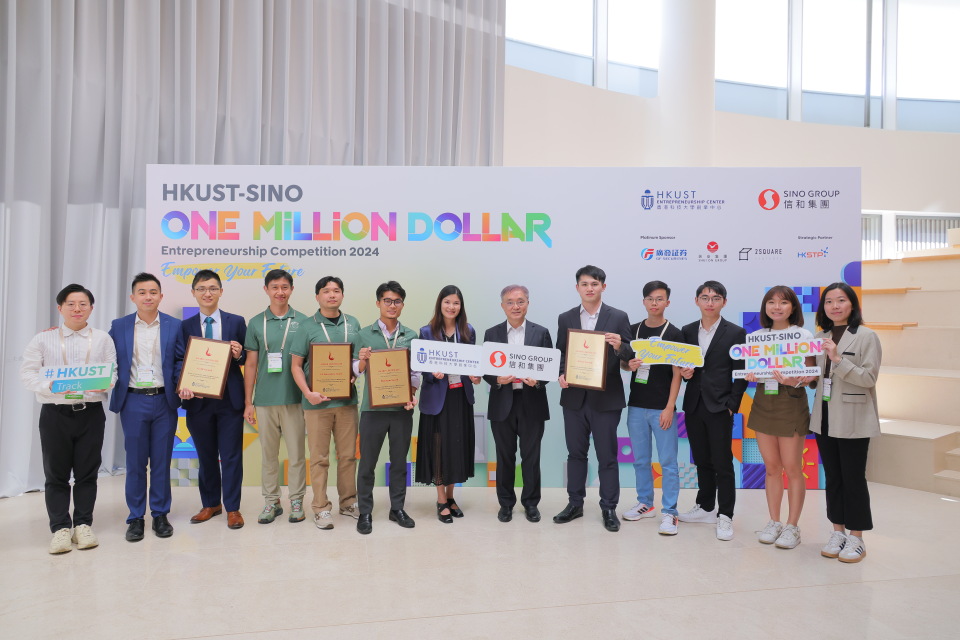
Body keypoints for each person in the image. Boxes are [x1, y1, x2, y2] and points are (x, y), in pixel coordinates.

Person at [19, 284, 117, 554]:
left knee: (88, 473)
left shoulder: (101, 339)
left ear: (91, 308)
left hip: (90, 413)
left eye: (83, 304)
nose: (77, 309)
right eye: (71, 304)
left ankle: (83, 525)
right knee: (56, 474)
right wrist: (51, 387)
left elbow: (113, 374)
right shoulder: (42, 339)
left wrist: (103, 384)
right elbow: (27, 374)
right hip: (55, 414)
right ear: (60, 308)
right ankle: (60, 528)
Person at [554, 265, 632, 532]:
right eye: (585, 284)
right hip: (574, 398)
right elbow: (561, 354)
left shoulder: (619, 316)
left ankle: (609, 507)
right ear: (577, 288)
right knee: (576, 454)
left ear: (603, 287)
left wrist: (620, 345)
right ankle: (575, 504)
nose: (590, 288)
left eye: (595, 284)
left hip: (606, 399)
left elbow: (630, 355)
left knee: (607, 456)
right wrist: (561, 374)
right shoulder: (565, 318)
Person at [809, 282, 881, 563]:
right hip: (824, 417)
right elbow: (815, 375)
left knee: (853, 479)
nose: (834, 306)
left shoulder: (866, 336)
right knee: (834, 479)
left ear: (852, 305)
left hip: (853, 417)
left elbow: (869, 379)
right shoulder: (819, 335)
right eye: (829, 301)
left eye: (841, 300)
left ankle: (857, 537)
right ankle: (837, 531)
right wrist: (795, 377)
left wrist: (838, 359)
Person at [109, 273, 184, 542]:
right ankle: (135, 517)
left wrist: (182, 382)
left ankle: (161, 514)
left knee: (162, 461)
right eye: (142, 292)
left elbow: (180, 360)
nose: (148, 296)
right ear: (133, 297)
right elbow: (103, 353)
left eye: (153, 292)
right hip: (133, 400)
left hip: (165, 400)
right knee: (136, 462)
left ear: (161, 296)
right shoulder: (119, 326)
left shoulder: (175, 326)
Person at [744, 286, 816, 550]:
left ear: (793, 308)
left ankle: (792, 526)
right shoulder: (757, 337)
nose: (776, 307)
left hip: (791, 402)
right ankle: (774, 521)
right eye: (771, 302)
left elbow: (811, 374)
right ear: (765, 307)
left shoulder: (803, 335)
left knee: (793, 468)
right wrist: (750, 374)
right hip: (763, 401)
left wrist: (795, 379)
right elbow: (753, 368)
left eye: (783, 303)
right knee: (772, 468)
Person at [290, 276, 363, 530]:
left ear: (342, 295)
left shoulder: (353, 323)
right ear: (317, 297)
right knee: (319, 458)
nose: (332, 295)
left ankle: (348, 502)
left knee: (347, 457)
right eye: (326, 291)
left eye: (336, 291)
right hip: (316, 404)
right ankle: (320, 507)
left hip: (347, 402)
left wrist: (356, 372)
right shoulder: (305, 326)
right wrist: (308, 392)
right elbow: (296, 366)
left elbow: (357, 362)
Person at [176, 270, 247, 530]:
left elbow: (247, 359)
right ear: (193, 292)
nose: (208, 293)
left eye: (213, 288)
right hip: (198, 401)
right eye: (202, 288)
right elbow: (178, 361)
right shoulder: (184, 326)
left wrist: (239, 355)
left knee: (230, 456)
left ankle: (233, 508)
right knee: (205, 456)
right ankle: (210, 503)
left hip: (230, 400)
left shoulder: (236, 321)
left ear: (221, 292)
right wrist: (182, 386)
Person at [678, 280, 747, 541]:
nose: (710, 302)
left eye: (715, 298)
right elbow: (685, 368)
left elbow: (740, 373)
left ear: (724, 302)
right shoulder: (686, 331)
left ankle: (725, 515)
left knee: (722, 462)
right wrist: (685, 375)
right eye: (705, 298)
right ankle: (706, 507)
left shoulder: (735, 332)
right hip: (694, 404)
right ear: (696, 301)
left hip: (720, 406)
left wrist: (732, 405)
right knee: (702, 460)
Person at [353, 281, 420, 534]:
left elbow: (415, 373)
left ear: (402, 304)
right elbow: (354, 372)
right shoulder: (364, 334)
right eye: (387, 301)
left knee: (399, 462)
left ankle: (397, 509)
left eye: (397, 301)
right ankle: (365, 512)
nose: (392, 305)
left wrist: (412, 394)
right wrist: (361, 362)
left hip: (402, 410)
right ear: (378, 303)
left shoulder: (411, 335)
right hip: (372, 410)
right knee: (367, 462)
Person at [243, 269, 309, 524]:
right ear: (266, 290)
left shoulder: (304, 321)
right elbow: (250, 364)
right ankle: (271, 502)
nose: (280, 292)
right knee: (268, 456)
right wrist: (249, 402)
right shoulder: (256, 322)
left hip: (295, 400)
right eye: (275, 287)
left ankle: (296, 501)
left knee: (295, 455)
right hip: (265, 401)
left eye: (285, 287)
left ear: (291, 289)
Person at [483, 285, 552, 523]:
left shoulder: (541, 332)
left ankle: (531, 504)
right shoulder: (491, 334)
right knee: (505, 457)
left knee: (531, 457)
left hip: (531, 401)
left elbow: (550, 368)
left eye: (520, 301)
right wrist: (497, 380)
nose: (515, 306)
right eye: (510, 302)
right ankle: (506, 504)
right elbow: (486, 369)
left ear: (528, 304)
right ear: (502, 305)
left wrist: (538, 380)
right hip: (503, 401)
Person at [621, 280, 683, 536]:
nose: (654, 303)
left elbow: (677, 374)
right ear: (644, 302)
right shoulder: (633, 330)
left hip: (662, 408)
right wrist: (629, 366)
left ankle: (670, 512)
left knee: (668, 462)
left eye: (660, 299)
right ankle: (646, 502)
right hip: (636, 406)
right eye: (650, 299)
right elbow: (625, 364)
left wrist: (670, 407)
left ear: (667, 302)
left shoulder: (675, 333)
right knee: (641, 460)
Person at [416, 285, 482, 523]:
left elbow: (474, 363)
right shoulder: (426, 331)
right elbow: (420, 365)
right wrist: (433, 373)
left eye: (456, 303)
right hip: (437, 400)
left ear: (460, 306)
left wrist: (476, 376)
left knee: (457, 447)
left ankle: (452, 497)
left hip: (460, 398)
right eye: (447, 302)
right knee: (439, 447)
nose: (451, 307)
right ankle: (441, 499)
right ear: (440, 304)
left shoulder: (468, 330)